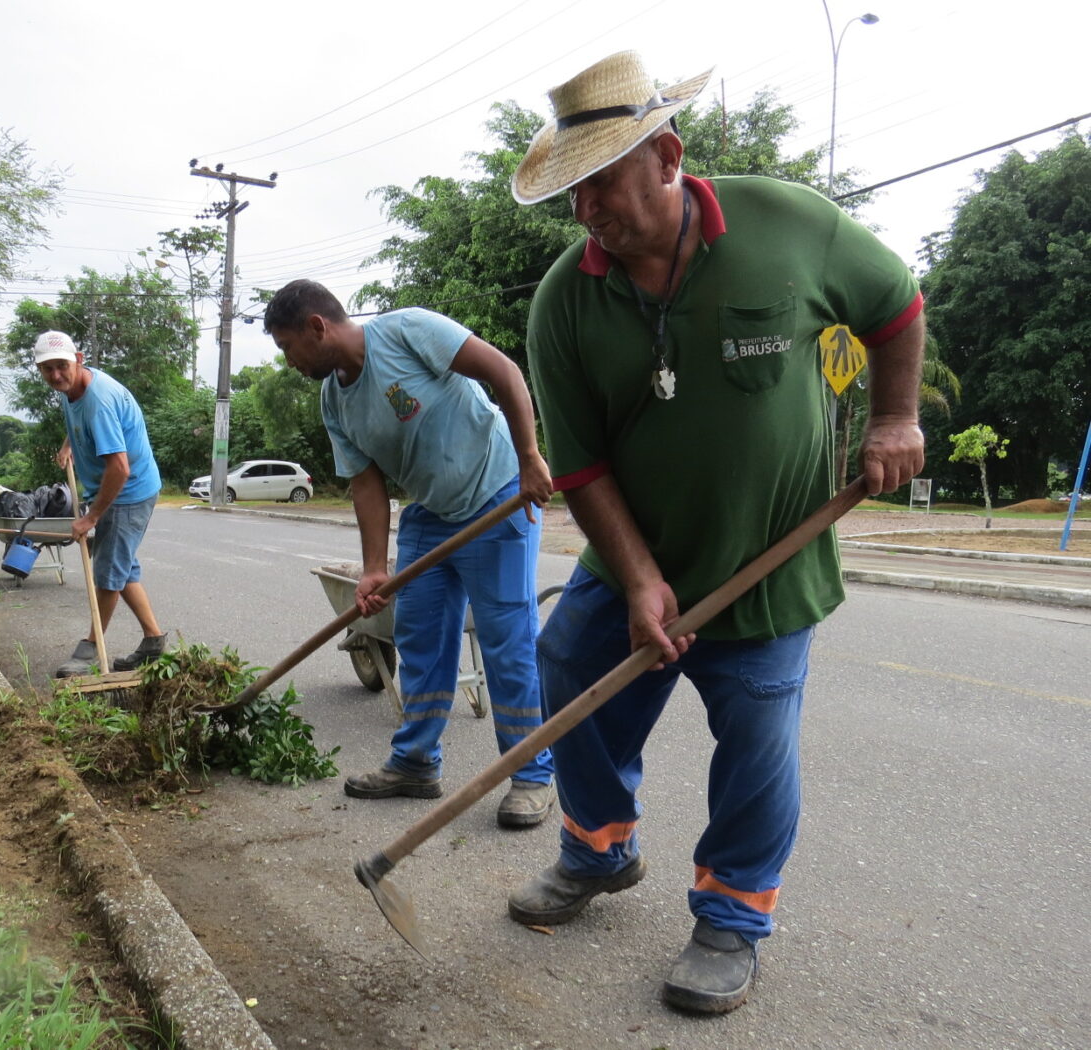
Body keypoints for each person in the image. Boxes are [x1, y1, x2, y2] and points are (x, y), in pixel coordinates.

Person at [509, 51, 926, 1013]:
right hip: (634, 561)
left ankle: (732, 918)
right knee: (568, 669)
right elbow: (579, 468)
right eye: (570, 194)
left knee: (756, 744)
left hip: (766, 569)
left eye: (600, 184)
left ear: (665, 155)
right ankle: (598, 848)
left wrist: (895, 419)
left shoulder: (791, 226)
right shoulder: (567, 300)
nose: (585, 215)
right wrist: (641, 579)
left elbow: (895, 304)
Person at [263, 280, 557, 828]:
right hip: (431, 513)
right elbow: (367, 485)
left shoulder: (408, 330)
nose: (289, 361)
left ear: (316, 327)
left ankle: (532, 775)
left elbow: (504, 373)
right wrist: (375, 568)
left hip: (497, 493)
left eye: (287, 347)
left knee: (507, 643)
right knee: (420, 639)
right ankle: (416, 763)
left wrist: (529, 457)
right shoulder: (333, 401)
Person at [33, 330, 169, 677]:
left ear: (77, 359)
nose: (56, 376)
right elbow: (77, 417)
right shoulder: (74, 387)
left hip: (128, 491)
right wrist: (69, 444)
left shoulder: (100, 401)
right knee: (122, 568)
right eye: (47, 369)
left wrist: (90, 518)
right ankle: (154, 642)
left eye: (61, 366)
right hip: (116, 487)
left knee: (108, 574)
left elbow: (119, 468)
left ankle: (90, 650)